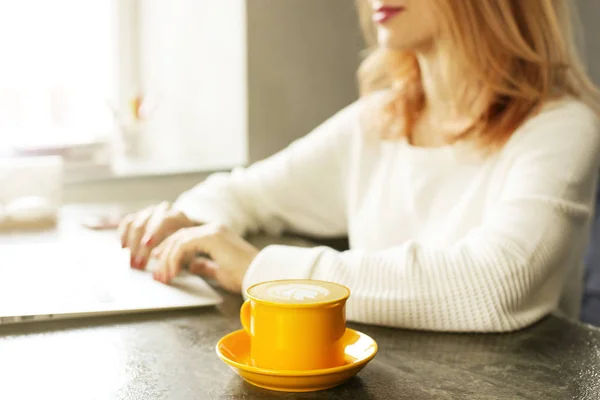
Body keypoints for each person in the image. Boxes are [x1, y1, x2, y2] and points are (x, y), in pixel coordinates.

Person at [119, 0, 600, 332]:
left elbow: (498, 285)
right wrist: (189, 217)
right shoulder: (377, 123)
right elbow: (246, 193)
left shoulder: (562, 127)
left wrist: (269, 275)